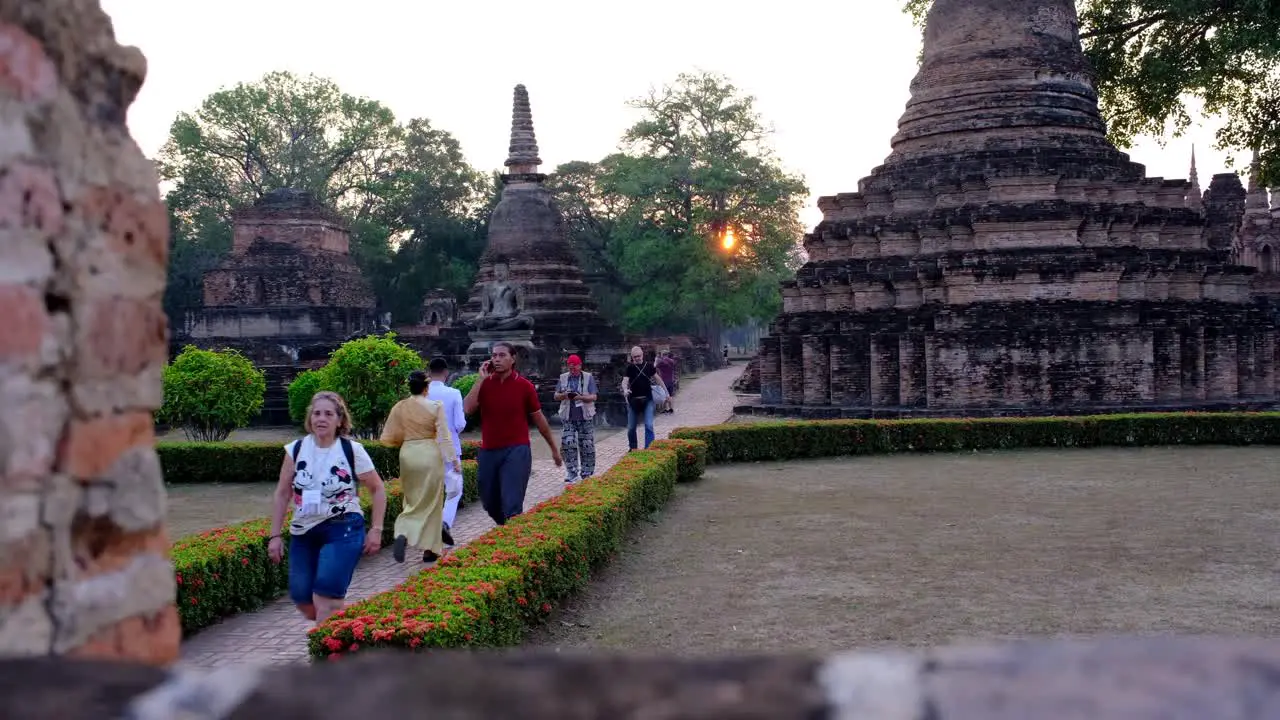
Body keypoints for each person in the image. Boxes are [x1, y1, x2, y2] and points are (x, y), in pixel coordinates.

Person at [268, 391, 387, 624]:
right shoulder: (295, 449)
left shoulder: (351, 450)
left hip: (343, 527)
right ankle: (338, 626)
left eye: (328, 414)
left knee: (326, 599)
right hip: (303, 530)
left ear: (339, 420)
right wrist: (274, 535)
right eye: (317, 413)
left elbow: (377, 489)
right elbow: (283, 493)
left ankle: (327, 652)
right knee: (303, 599)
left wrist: (376, 529)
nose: (321, 419)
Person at [463, 342, 563, 525]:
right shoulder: (485, 384)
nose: (497, 359)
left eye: (502, 355)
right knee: (489, 503)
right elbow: (468, 409)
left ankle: (511, 539)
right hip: (489, 451)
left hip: (516, 451)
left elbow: (539, 419)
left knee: (512, 505)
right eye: (494, 356)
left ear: (513, 358)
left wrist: (554, 449)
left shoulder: (524, 386)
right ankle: (505, 530)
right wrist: (480, 380)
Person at [380, 371, 461, 564]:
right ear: (426, 388)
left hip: (408, 453)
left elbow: (392, 435)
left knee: (412, 499)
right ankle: (430, 549)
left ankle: (403, 530)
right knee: (432, 502)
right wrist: (454, 460)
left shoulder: (400, 407)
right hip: (429, 453)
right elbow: (444, 436)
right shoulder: (435, 406)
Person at [426, 357, 467, 545]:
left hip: (425, 448)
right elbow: (460, 423)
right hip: (449, 447)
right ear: (446, 373)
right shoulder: (454, 393)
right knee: (454, 490)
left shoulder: (421, 395)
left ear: (428, 372)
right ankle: (444, 522)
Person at [554, 354, 598, 483]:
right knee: (568, 443)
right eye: (570, 367)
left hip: (585, 417)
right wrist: (564, 395)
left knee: (587, 444)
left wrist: (580, 397)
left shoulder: (588, 377)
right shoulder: (563, 378)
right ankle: (571, 472)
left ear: (580, 365)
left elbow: (594, 397)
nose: (572, 370)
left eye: (574, 367)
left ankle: (587, 472)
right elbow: (556, 396)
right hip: (568, 417)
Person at [622, 345, 667, 450]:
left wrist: (666, 392)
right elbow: (624, 381)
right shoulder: (630, 368)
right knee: (631, 428)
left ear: (642, 355)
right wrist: (625, 390)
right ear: (632, 357)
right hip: (633, 401)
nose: (637, 358)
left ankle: (649, 448)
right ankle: (633, 449)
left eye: (639, 356)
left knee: (649, 426)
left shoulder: (649, 366)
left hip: (647, 400)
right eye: (635, 357)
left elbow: (658, 379)